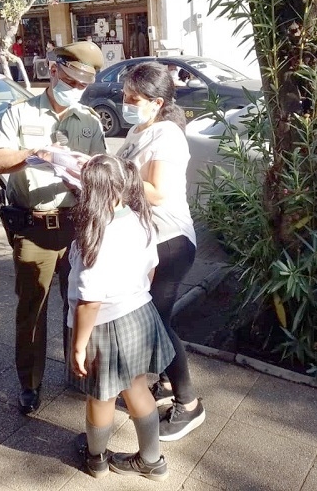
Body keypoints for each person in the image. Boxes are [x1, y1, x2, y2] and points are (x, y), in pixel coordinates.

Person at [0, 41, 107, 415]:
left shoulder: (89, 119)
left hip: (77, 226)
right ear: (53, 71)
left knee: (80, 305)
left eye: (82, 85)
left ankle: (79, 373)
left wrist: (86, 175)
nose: (75, 90)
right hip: (34, 228)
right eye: (70, 80)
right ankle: (31, 383)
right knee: (32, 311)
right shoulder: (20, 113)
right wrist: (36, 153)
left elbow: (102, 171)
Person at [69, 154, 173, 482]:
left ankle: (96, 458)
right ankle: (151, 460)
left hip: (105, 324)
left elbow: (90, 300)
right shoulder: (140, 218)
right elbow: (152, 267)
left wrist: (78, 345)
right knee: (137, 387)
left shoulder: (95, 234)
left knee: (102, 396)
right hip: (139, 313)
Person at [115, 61, 204, 442]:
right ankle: (166, 385)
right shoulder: (139, 129)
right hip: (147, 241)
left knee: (158, 326)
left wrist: (107, 181)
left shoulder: (167, 135)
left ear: (155, 101)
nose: (125, 103)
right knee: (157, 320)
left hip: (169, 242)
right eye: (125, 95)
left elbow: (157, 192)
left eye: (133, 98)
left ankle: (189, 404)